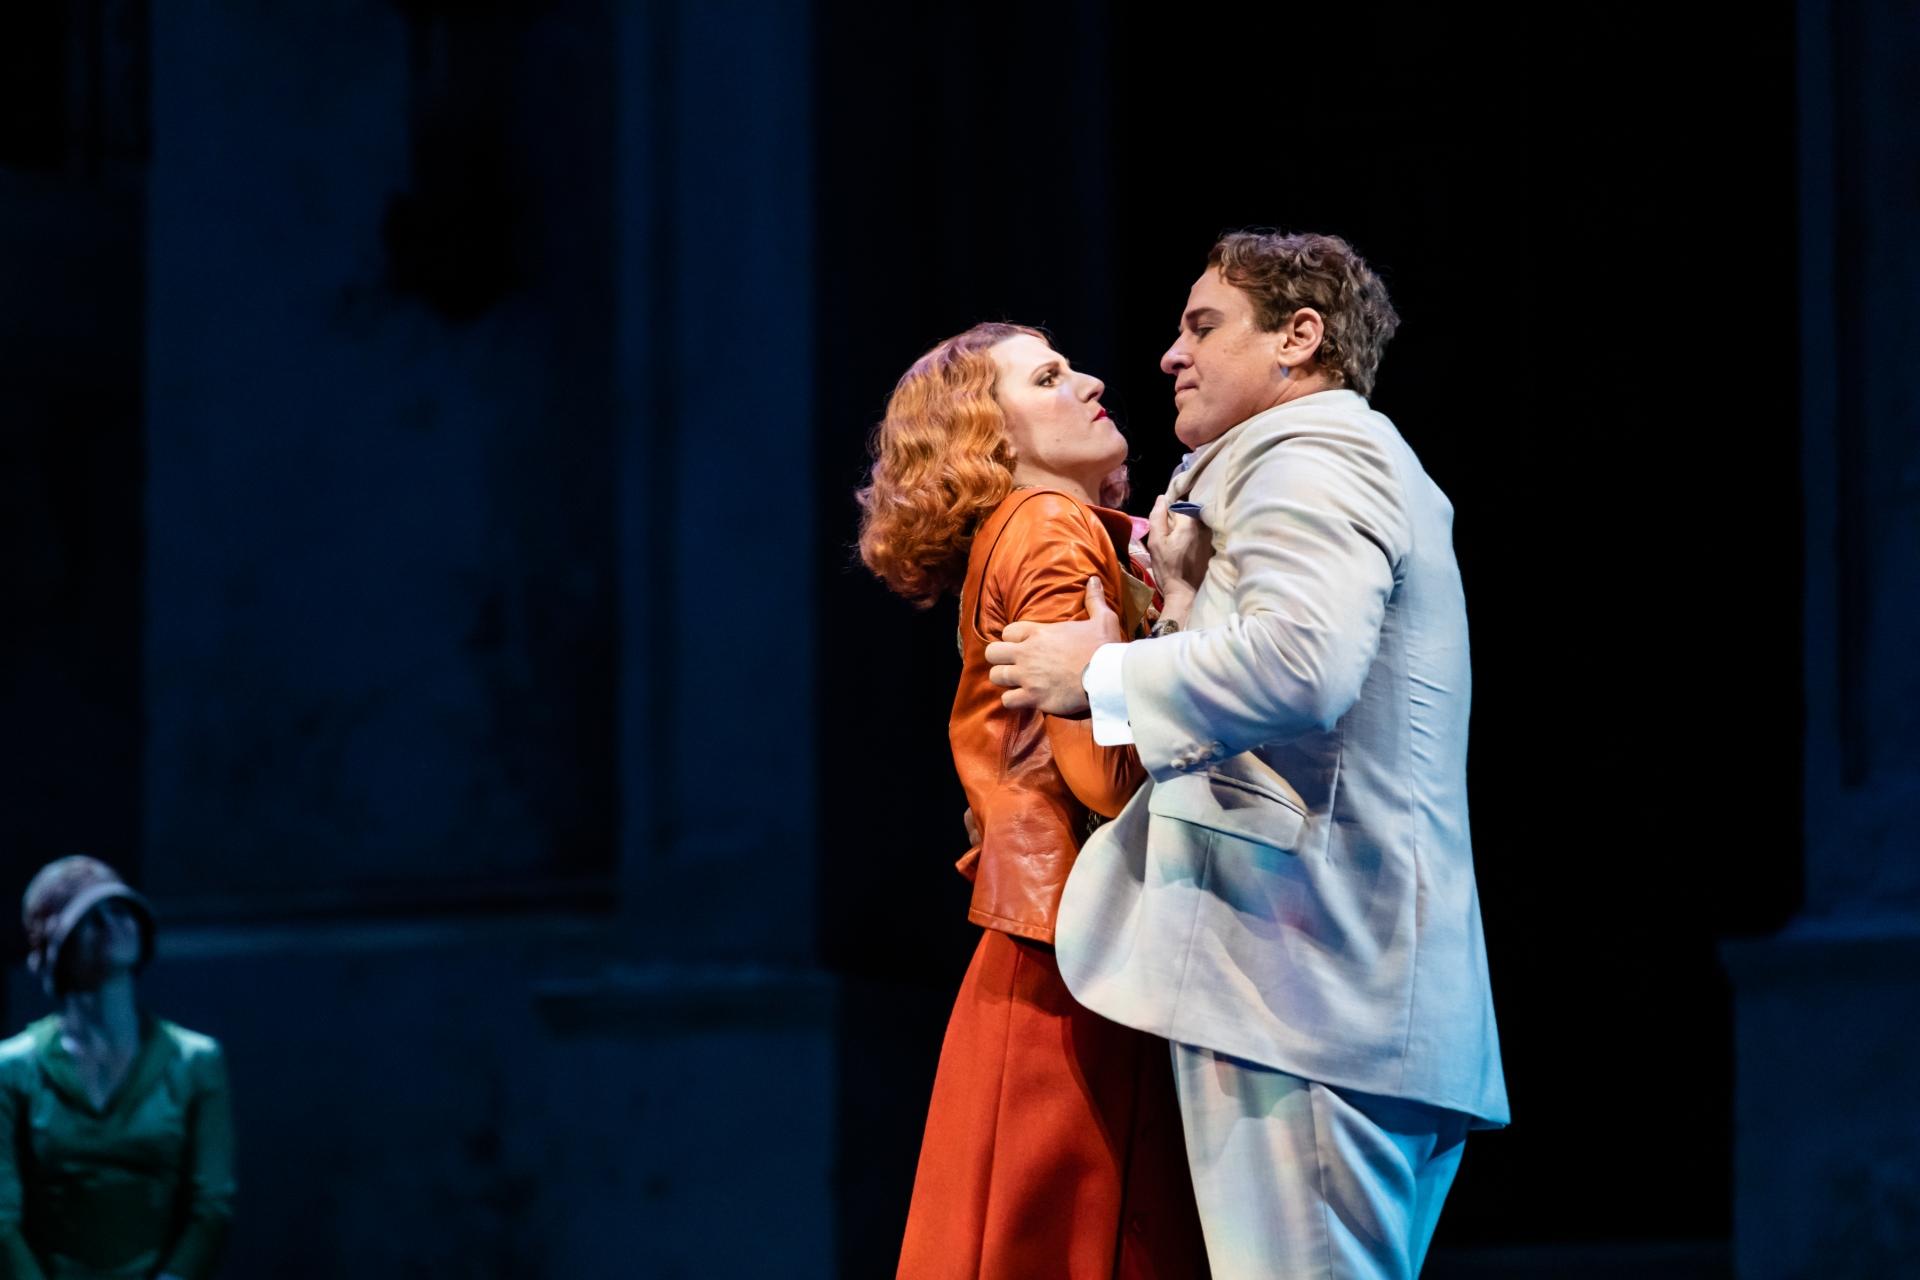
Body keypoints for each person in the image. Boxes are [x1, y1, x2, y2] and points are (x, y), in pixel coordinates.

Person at [983, 231, 1509, 1279]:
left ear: (1298, 338)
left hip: (1311, 995)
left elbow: (1303, 665)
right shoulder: (1320, 460)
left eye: (1203, 325)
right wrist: (1182, 598)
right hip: (1334, 989)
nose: (1170, 353)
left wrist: (1099, 676)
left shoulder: (1314, 450)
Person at [857, 323, 1210, 1279]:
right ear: (991, 441)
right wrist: (1141, 657)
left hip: (1047, 951)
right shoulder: (1048, 525)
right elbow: (1102, 778)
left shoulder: (1044, 530)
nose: (1092, 380)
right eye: (1049, 377)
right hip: (1073, 958)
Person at [0, 857, 235, 1279]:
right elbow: (1, 1216)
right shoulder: (14, 1068)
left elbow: (211, 1206)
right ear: (55, 947)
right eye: (89, 917)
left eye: (120, 909)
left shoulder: (195, 1060)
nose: (112, 924)